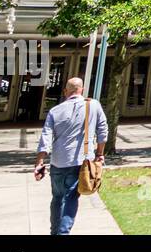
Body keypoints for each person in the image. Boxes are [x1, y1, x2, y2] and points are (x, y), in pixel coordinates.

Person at [34, 77, 107, 235]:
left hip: (58, 162)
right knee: (71, 198)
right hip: (80, 163)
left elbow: (45, 137)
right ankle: (62, 233)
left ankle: (55, 232)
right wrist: (100, 153)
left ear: (66, 91)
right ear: (81, 89)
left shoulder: (55, 111)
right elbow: (103, 131)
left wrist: (40, 162)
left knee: (57, 198)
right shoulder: (93, 105)